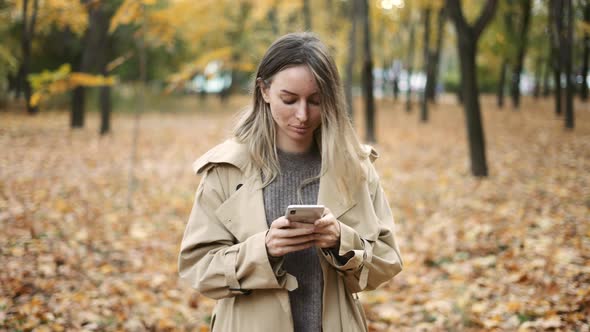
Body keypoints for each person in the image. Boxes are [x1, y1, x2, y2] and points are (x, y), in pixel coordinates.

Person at [178, 32, 403, 332]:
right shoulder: (225, 170)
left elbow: (386, 261)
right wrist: (264, 250)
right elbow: (198, 268)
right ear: (264, 90)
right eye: (289, 99)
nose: (302, 115)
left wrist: (340, 241)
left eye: (315, 101)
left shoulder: (355, 168)